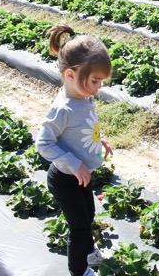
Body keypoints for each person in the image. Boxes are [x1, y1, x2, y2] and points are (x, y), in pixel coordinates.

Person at [36, 25, 113, 276]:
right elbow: (44, 143)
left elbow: (82, 127)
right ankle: (79, 271)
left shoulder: (83, 96)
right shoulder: (63, 108)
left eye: (101, 81)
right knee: (79, 227)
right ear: (70, 74)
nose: (98, 87)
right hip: (65, 179)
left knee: (88, 215)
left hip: (80, 175)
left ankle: (89, 253)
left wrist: (98, 141)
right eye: (95, 81)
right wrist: (73, 162)